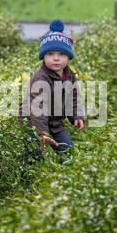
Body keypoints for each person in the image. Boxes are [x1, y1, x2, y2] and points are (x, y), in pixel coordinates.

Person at [17, 19, 86, 169]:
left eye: (61, 54)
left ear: (68, 57)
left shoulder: (69, 74)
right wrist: (42, 133)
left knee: (67, 150)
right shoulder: (40, 78)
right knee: (33, 154)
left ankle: (62, 180)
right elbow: (38, 109)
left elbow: (73, 98)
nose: (56, 58)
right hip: (32, 123)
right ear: (43, 56)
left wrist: (77, 116)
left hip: (54, 121)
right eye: (50, 54)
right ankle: (26, 184)